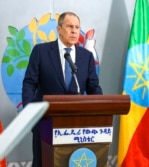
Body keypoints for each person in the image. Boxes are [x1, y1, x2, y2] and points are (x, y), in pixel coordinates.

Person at [22, 12, 103, 167]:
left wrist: (99, 110)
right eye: (69, 26)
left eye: (77, 27)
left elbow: (93, 87)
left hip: (76, 125)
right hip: (44, 121)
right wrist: (29, 112)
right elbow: (29, 83)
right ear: (59, 29)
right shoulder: (41, 51)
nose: (74, 31)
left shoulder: (86, 56)